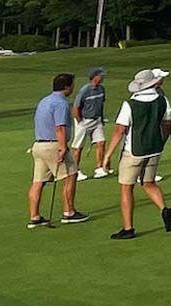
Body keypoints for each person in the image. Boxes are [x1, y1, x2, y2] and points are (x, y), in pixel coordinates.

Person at [106, 68, 171, 239]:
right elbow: (167, 126)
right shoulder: (162, 100)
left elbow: (119, 131)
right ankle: (164, 209)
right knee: (148, 183)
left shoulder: (129, 104)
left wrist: (107, 155)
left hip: (133, 151)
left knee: (126, 188)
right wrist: (162, 141)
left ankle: (128, 228)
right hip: (155, 149)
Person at [27, 72, 87, 228]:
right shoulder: (61, 103)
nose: (74, 87)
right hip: (54, 145)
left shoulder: (44, 101)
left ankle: (34, 216)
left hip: (38, 145)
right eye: (72, 85)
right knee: (71, 175)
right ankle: (69, 212)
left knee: (38, 182)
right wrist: (62, 147)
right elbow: (59, 127)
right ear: (66, 87)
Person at [73, 66, 112, 179]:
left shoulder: (101, 89)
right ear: (95, 77)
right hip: (84, 120)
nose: (102, 77)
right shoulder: (85, 90)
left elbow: (101, 105)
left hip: (97, 120)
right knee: (78, 147)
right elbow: (76, 107)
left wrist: (101, 118)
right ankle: (75, 171)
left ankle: (99, 168)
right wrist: (80, 122)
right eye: (101, 75)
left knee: (101, 142)